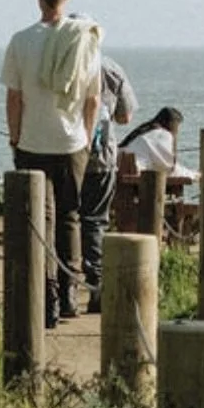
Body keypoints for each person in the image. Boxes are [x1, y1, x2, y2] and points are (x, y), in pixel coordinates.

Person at [1, 0, 101, 327]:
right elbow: (93, 99)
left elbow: (14, 97)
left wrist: (14, 136)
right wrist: (87, 138)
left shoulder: (21, 40)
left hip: (33, 140)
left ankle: (45, 299)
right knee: (70, 218)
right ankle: (70, 293)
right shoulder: (85, 40)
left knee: (38, 223)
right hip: (72, 141)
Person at [71, 18, 138, 315]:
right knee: (95, 222)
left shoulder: (58, 63)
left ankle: (65, 290)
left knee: (64, 219)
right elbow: (126, 116)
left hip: (64, 152)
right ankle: (97, 287)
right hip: (100, 157)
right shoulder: (110, 67)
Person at [119, 107, 199, 182]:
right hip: (134, 176)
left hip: (120, 171)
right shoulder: (162, 134)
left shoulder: (145, 130)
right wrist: (192, 175)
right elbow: (168, 167)